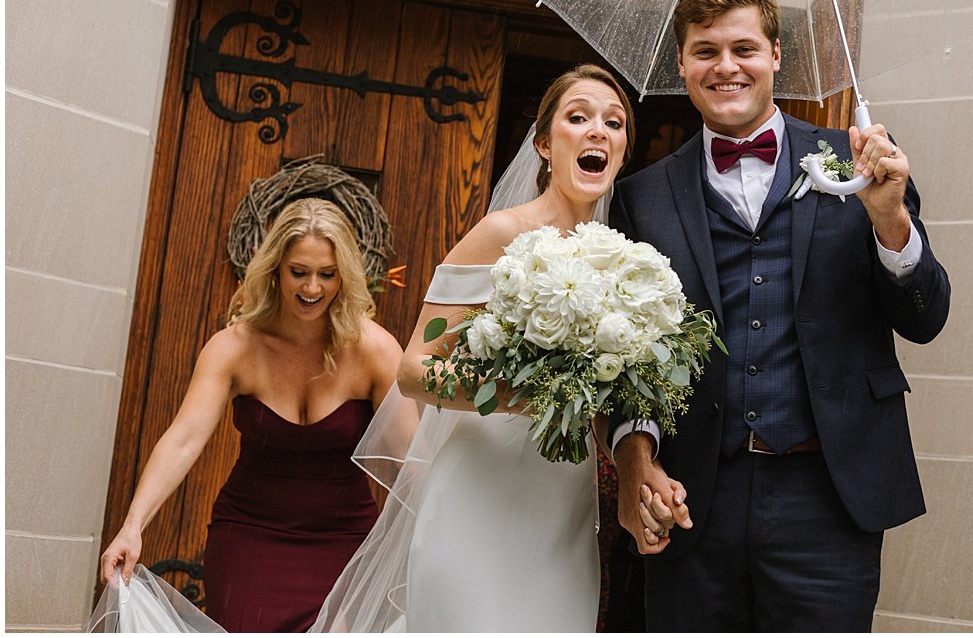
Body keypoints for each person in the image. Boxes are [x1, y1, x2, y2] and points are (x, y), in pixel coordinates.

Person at [607, 0, 952, 631]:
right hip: (692, 499)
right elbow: (626, 361)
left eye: (744, 47)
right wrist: (634, 455)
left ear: (775, 57)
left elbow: (926, 317)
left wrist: (889, 222)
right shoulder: (643, 196)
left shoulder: (857, 166)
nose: (726, 65)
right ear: (682, 63)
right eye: (706, 51)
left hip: (827, 495)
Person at [311, 64, 636, 632]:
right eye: (577, 117)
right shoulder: (501, 234)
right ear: (542, 143)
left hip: (563, 499)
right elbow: (414, 370)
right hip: (478, 489)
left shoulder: (621, 261)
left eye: (613, 122)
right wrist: (526, 396)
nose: (597, 131)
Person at [99, 198, 416, 632]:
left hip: (344, 544)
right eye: (298, 272)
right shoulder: (234, 347)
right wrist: (132, 526)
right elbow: (184, 438)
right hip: (248, 535)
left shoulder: (374, 351)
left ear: (345, 275)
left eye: (327, 274)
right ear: (274, 269)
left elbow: (410, 467)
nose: (312, 288)